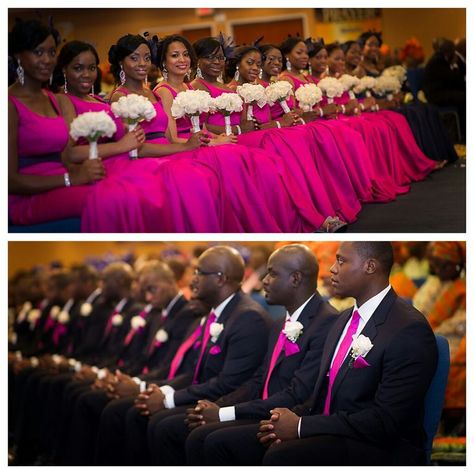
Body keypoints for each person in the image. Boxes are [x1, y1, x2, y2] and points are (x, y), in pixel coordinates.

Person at [204, 242, 438, 465]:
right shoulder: (344, 319)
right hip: (330, 428)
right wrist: (284, 419)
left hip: (380, 446)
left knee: (281, 456)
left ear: (370, 266)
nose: (332, 269)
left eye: (341, 261)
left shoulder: (408, 329)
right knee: (216, 442)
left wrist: (300, 427)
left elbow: (385, 421)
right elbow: (321, 393)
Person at [149, 244, 337, 465]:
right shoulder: (280, 323)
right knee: (182, 428)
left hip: (289, 416)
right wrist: (219, 406)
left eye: (273, 274)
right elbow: (259, 379)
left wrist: (224, 413)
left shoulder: (326, 322)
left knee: (209, 439)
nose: (264, 280)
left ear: (295, 279)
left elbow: (297, 393)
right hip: (264, 409)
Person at [95, 245, 272, 465]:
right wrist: (161, 391)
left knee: (161, 423)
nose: (192, 279)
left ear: (220, 278)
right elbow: (194, 371)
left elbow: (230, 382)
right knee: (136, 411)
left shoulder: (247, 317)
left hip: (227, 401)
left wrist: (168, 400)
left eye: (199, 272)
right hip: (208, 393)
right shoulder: (218, 312)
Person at [8, 19, 104, 227]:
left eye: (51, 52)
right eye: (38, 52)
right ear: (18, 56)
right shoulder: (9, 104)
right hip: (26, 197)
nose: (47, 60)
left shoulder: (53, 98)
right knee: (105, 201)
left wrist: (81, 171)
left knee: (119, 189)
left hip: (61, 182)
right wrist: (71, 178)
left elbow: (62, 156)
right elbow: (9, 180)